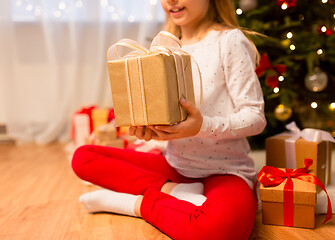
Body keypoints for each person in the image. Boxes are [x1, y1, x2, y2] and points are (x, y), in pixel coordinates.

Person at [72, 0, 267, 239]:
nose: (170, 1)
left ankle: (134, 204)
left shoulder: (229, 41)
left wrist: (202, 126)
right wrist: (151, 129)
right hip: (175, 166)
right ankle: (173, 191)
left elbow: (255, 118)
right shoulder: (162, 50)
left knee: (222, 231)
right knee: (83, 157)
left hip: (225, 171)